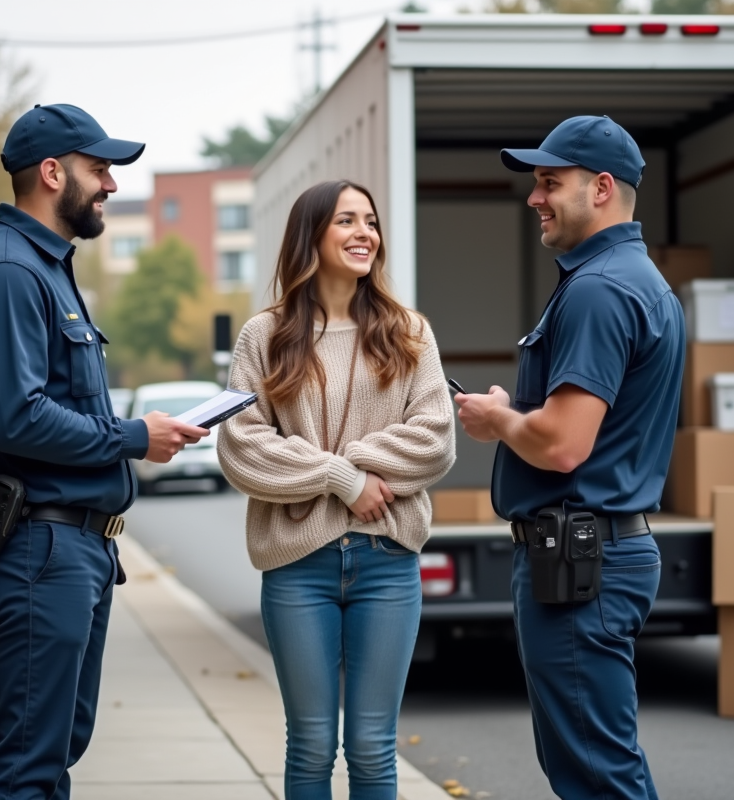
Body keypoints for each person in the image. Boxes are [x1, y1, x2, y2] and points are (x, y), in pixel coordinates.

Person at [0, 103, 208, 800]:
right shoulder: (8, 273)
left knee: (54, 753)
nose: (112, 185)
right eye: (100, 170)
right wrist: (133, 438)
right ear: (52, 172)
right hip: (39, 550)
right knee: (26, 768)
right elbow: (17, 420)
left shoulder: (47, 269)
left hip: (74, 551)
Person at [454, 116, 684, 800]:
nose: (535, 198)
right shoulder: (636, 281)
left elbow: (563, 443)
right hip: (594, 558)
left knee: (596, 777)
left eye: (550, 183)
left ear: (603, 188)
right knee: (587, 765)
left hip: (581, 566)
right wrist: (517, 416)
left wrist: (499, 420)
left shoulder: (599, 290)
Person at [217, 180, 456, 800]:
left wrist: (347, 460)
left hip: (387, 563)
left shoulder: (410, 332)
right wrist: (342, 478)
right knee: (312, 744)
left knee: (374, 747)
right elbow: (241, 446)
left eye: (371, 222)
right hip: (298, 566)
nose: (364, 233)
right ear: (311, 236)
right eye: (346, 221)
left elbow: (435, 440)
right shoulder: (263, 337)